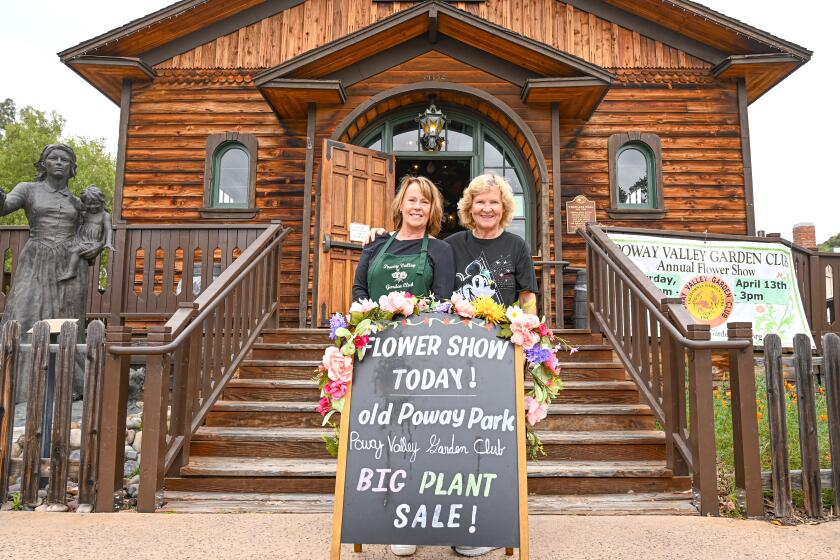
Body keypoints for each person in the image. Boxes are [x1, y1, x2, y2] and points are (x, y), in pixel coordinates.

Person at [365, 173, 538, 558]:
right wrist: (380, 239)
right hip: (453, 358)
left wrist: (530, 341)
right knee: (448, 440)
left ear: (505, 207)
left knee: (491, 442)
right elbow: (417, 261)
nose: (487, 209)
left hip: (500, 357)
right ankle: (438, 519)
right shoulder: (450, 246)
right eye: (480, 202)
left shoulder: (516, 246)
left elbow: (527, 299)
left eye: (494, 202)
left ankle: (483, 527)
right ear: (468, 208)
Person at [353, 175, 454, 304]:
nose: (417, 206)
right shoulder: (376, 242)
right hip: (375, 323)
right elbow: (359, 289)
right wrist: (369, 319)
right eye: (411, 200)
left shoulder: (441, 249)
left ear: (431, 209)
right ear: (401, 205)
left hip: (420, 324)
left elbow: (442, 301)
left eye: (424, 202)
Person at [59, 185, 114, 281]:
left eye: (95, 203)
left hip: (91, 243)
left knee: (74, 251)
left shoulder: (105, 215)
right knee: (68, 249)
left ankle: (71, 272)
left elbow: (108, 229)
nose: (92, 207)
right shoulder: (84, 213)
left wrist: (108, 242)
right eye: (88, 204)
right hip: (80, 239)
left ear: (101, 201)